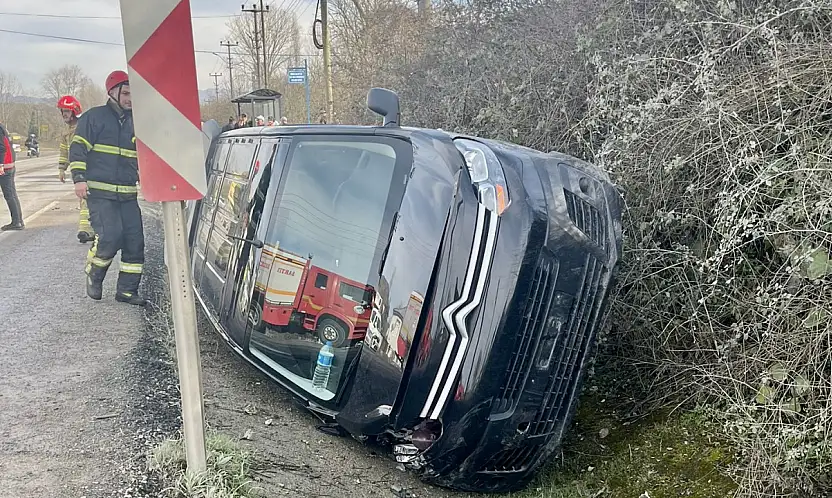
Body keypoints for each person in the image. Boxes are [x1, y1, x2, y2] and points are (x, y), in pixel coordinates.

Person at [68, 70, 146, 306]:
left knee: (134, 242)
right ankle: (94, 272)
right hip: (100, 193)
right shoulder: (94, 117)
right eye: (126, 93)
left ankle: (127, 291)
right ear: (113, 92)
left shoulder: (138, 121)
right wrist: (78, 179)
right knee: (110, 237)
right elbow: (78, 149)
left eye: (133, 94)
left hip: (128, 194)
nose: (130, 99)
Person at [57, 95, 95, 243]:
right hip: (78, 171)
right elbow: (64, 151)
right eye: (63, 111)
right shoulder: (66, 133)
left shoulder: (84, 127)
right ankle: (91, 229)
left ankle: (85, 230)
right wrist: (62, 169)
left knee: (86, 198)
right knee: (85, 199)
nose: (64, 114)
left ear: (75, 111)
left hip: (88, 168)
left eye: (67, 111)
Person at [0, 121, 23, 231]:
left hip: (5, 166)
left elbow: (1, 148)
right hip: (9, 164)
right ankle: (18, 221)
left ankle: (16, 222)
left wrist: (1, 164)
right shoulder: (2, 128)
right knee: (12, 194)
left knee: (9, 194)